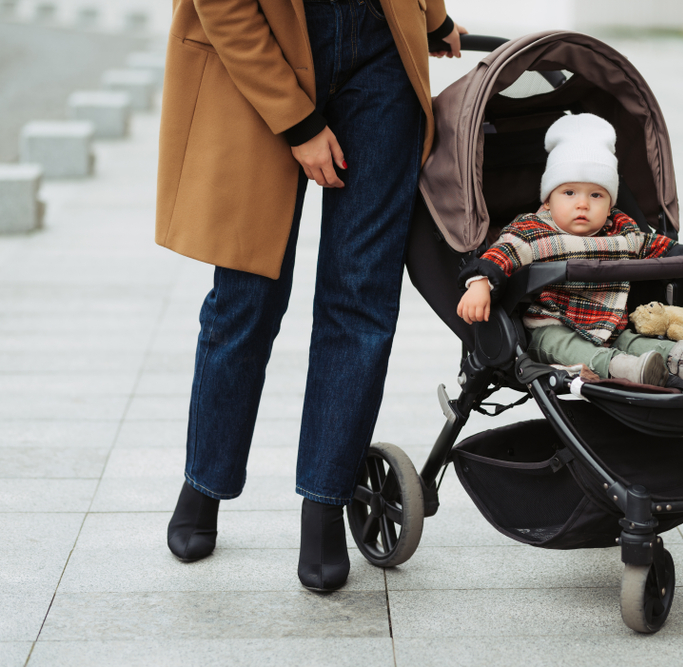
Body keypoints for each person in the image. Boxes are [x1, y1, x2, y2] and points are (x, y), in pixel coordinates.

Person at [155, 0, 464, 593]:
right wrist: (298, 124)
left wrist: (433, 17)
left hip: (380, 51)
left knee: (362, 295)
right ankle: (204, 481)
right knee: (246, 295)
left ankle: (323, 502)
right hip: (261, 46)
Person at [456, 113, 683, 391]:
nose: (582, 204)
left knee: (634, 343)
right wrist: (480, 282)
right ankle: (627, 369)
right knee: (566, 346)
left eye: (596, 195)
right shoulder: (533, 231)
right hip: (550, 326)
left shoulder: (622, 231)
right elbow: (501, 254)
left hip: (612, 326)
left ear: (610, 202)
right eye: (569, 193)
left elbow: (661, 248)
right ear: (547, 200)